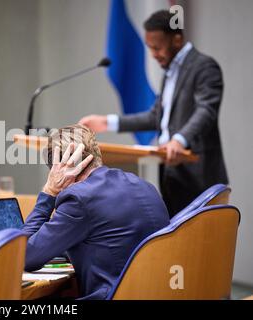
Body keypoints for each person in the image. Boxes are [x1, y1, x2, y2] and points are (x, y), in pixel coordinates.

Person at [79, 10, 228, 216]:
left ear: (176, 40)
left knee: (202, 245)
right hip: (172, 174)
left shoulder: (204, 67)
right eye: (150, 48)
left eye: (157, 48)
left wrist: (179, 140)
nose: (153, 54)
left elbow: (206, 111)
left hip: (199, 177)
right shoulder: (170, 73)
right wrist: (107, 122)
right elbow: (155, 118)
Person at [23, 124, 169, 300]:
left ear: (59, 168)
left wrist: (49, 191)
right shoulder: (145, 186)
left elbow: (24, 257)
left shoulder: (79, 198)